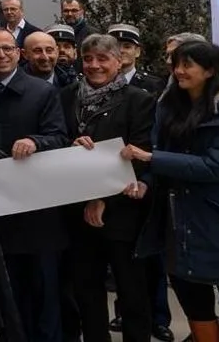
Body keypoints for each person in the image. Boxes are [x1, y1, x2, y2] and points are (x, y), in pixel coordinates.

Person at [129, 39, 219, 342]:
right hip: (179, 221)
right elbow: (155, 153)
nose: (178, 71)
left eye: (187, 64)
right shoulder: (167, 105)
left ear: (210, 70)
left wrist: (153, 159)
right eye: (175, 63)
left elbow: (218, 166)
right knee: (194, 302)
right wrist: (145, 180)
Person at [0, 28, 70, 342]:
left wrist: (34, 141)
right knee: (7, 293)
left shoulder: (42, 92)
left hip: (37, 212)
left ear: (18, 53)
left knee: (44, 291)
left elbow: (59, 137)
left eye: (7, 49)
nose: (0, 55)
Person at [63, 33, 155, 342]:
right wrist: (69, 146)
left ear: (118, 62)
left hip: (122, 212)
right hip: (76, 210)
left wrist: (104, 198)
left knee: (131, 292)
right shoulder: (66, 96)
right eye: (88, 59)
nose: (94, 65)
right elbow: (55, 142)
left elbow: (140, 154)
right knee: (87, 291)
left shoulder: (139, 100)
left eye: (103, 59)